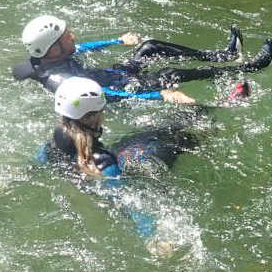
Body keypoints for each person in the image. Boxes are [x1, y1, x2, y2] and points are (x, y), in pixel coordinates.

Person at [36, 76, 201, 242]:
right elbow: (128, 204)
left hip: (91, 183)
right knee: (176, 136)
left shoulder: (52, 145)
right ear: (95, 117)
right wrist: (152, 238)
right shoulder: (103, 162)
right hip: (142, 161)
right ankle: (201, 126)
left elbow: (37, 165)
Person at [13, 15, 272, 103]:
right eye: (66, 36)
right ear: (53, 51)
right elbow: (104, 95)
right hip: (121, 91)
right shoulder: (62, 80)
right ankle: (251, 67)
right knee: (170, 76)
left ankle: (225, 55)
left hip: (117, 75)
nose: (72, 35)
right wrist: (158, 96)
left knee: (149, 46)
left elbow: (80, 48)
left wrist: (117, 41)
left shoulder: (49, 56)